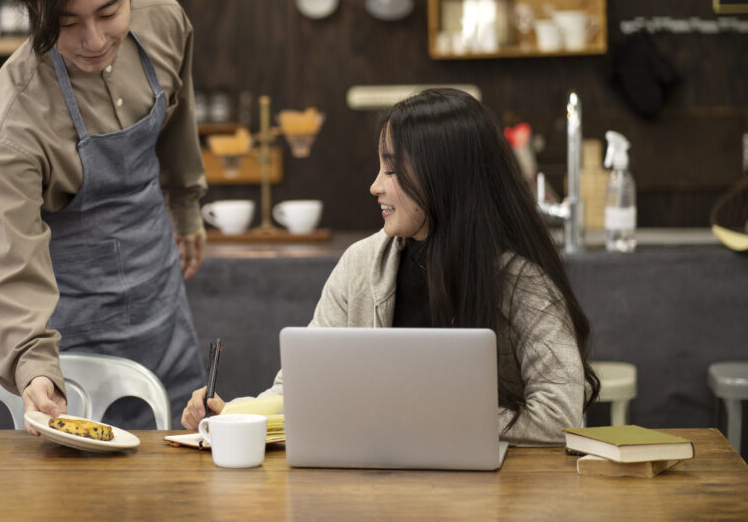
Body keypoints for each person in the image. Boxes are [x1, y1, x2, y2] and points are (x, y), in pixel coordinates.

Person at [182, 88, 600, 445]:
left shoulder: (523, 284)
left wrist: (420, 425)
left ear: (445, 178)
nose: (375, 185)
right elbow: (301, 386)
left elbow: (559, 418)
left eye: (393, 169)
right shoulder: (361, 264)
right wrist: (235, 415)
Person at [0, 0, 208, 434]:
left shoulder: (163, 20)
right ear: (35, 11)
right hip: (72, 324)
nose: (95, 40)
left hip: (161, 291)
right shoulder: (13, 116)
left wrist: (186, 204)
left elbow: (179, 113)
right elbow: (8, 258)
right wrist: (34, 367)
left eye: (109, 13)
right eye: (66, 23)